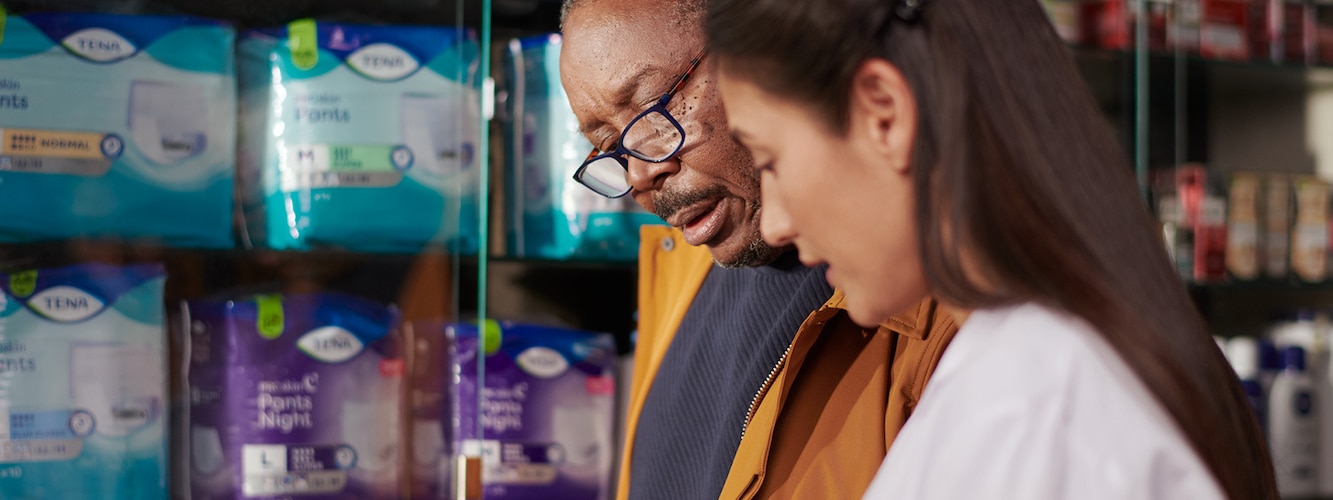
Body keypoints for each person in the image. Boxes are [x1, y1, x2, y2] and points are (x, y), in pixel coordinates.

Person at [706, 0, 1277, 498]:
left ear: (885, 112)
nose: (776, 223)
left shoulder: (1035, 411)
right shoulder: (1039, 368)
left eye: (770, 161)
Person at [557, 0, 960, 498]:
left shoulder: (952, 321)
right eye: (607, 143)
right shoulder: (680, 262)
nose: (640, 174)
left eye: (654, 109)